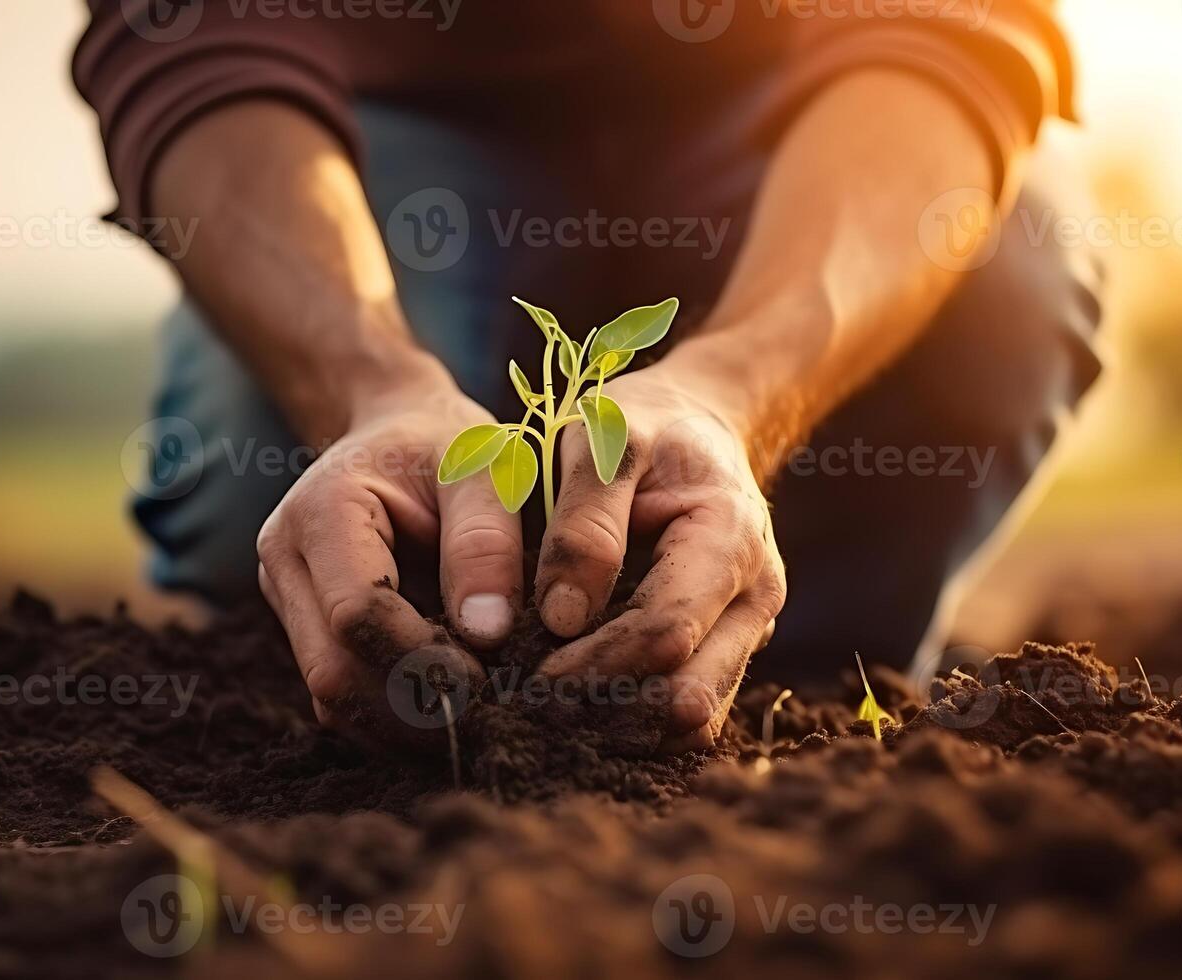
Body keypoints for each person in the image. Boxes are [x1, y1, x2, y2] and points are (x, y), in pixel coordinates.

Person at [74, 0, 1101, 751]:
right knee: (269, 477)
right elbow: (191, 35)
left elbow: (944, 30)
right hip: (380, 120)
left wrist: (731, 391)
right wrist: (368, 386)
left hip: (792, 102)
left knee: (1003, 282)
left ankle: (779, 665)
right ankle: (404, 699)